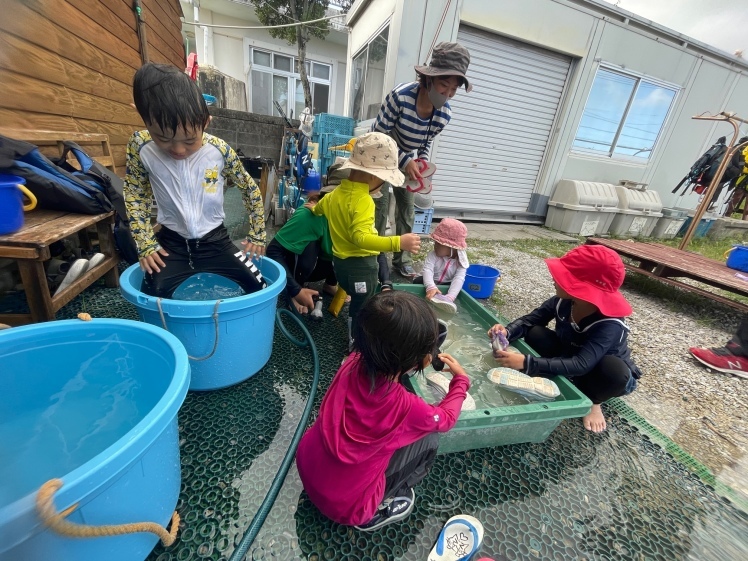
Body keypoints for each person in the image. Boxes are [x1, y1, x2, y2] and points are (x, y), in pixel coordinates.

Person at [296, 290, 470, 531]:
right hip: (348, 508)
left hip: (307, 467)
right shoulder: (407, 407)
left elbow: (383, 339)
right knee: (430, 437)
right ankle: (376, 511)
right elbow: (447, 418)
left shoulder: (351, 361)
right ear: (423, 360)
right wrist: (461, 381)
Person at [124, 63, 266, 298]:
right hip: (171, 245)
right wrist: (145, 242)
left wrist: (258, 233)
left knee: (258, 285)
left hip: (216, 241)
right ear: (143, 118)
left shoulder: (219, 150)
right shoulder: (140, 146)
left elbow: (249, 188)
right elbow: (135, 194)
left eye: (190, 140)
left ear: (205, 122)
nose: (179, 149)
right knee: (152, 295)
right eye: (163, 138)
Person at [488, 245, 641, 433]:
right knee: (536, 332)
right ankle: (561, 375)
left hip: (599, 372)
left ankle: (594, 402)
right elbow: (531, 320)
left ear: (582, 289)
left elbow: (582, 363)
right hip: (572, 354)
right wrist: (507, 333)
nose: (554, 278)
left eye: (562, 276)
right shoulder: (563, 301)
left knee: (614, 372)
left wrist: (527, 362)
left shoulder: (610, 324)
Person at [371, 42, 472, 280]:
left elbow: (426, 141)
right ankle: (374, 256)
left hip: (406, 162)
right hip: (381, 158)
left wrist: (423, 166)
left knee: (407, 210)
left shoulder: (444, 114)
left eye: (453, 90)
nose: (447, 95)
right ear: (428, 79)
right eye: (443, 86)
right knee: (379, 208)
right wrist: (406, 159)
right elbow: (378, 135)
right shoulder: (400, 96)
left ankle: (402, 259)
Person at [309, 132, 422, 334]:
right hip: (361, 267)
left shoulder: (334, 194)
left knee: (356, 297)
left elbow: (319, 209)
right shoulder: (364, 201)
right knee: (362, 303)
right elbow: (360, 238)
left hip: (340, 265)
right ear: (374, 175)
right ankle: (357, 339)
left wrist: (312, 207)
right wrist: (398, 242)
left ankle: (356, 329)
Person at [265, 192, 339, 314]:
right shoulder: (309, 214)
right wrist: (295, 290)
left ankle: (330, 284)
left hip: (321, 265)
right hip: (298, 268)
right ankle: (295, 291)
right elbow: (273, 250)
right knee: (307, 246)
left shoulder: (356, 218)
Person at [413, 218, 469, 304]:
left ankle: (445, 297)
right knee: (418, 281)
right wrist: (430, 287)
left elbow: (459, 278)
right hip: (426, 281)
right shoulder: (433, 255)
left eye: (438, 243)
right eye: (435, 242)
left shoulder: (461, 261)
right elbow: (428, 270)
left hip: (444, 284)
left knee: (456, 286)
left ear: (452, 247)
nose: (435, 245)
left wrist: (450, 296)